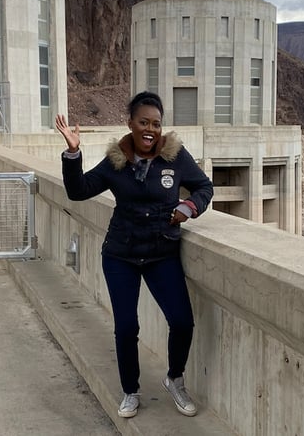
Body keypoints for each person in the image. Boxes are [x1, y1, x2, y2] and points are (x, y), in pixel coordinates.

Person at [55, 91, 213, 419]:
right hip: (120, 255)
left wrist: (189, 206)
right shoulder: (116, 160)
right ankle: (130, 390)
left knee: (182, 322)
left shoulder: (176, 156)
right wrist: (73, 154)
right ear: (130, 124)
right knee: (127, 327)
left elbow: (204, 187)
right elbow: (78, 191)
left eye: (156, 123)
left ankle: (175, 379)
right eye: (143, 122)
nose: (150, 129)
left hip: (162, 253)